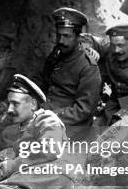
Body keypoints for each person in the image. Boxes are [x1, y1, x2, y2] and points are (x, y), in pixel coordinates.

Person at [35, 7, 102, 140]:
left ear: (78, 37)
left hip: (70, 126)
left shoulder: (88, 66)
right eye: (59, 35)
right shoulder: (57, 53)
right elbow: (44, 80)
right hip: (47, 113)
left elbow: (83, 110)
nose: (61, 41)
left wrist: (51, 116)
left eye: (66, 36)